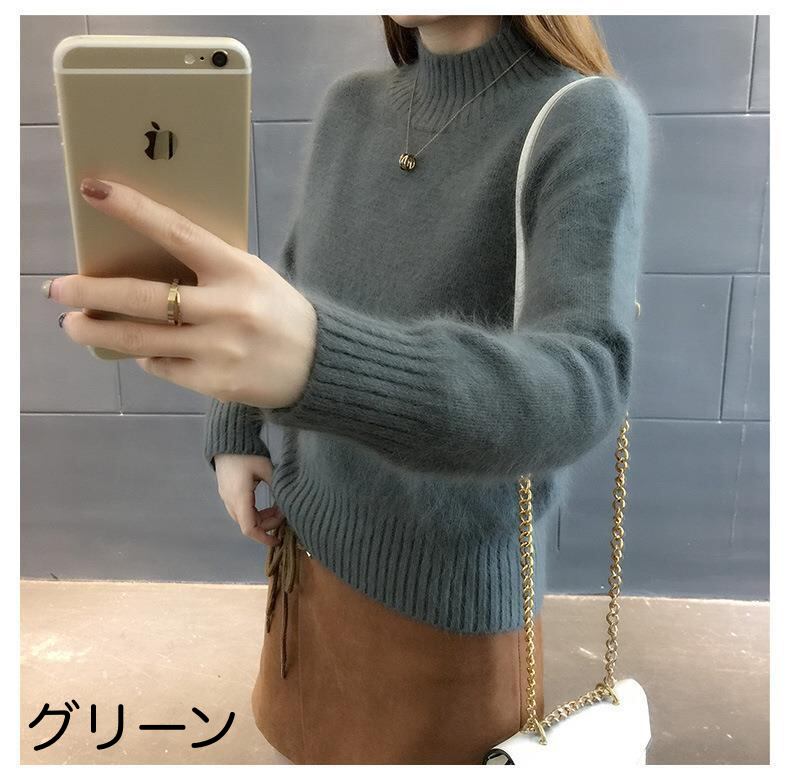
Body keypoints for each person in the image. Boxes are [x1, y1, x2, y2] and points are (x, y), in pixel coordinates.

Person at [48, 14, 650, 765]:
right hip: (307, 551)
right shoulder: (352, 104)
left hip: (443, 599)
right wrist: (234, 424)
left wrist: (319, 360)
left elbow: (583, 381)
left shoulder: (580, 115)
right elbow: (296, 279)